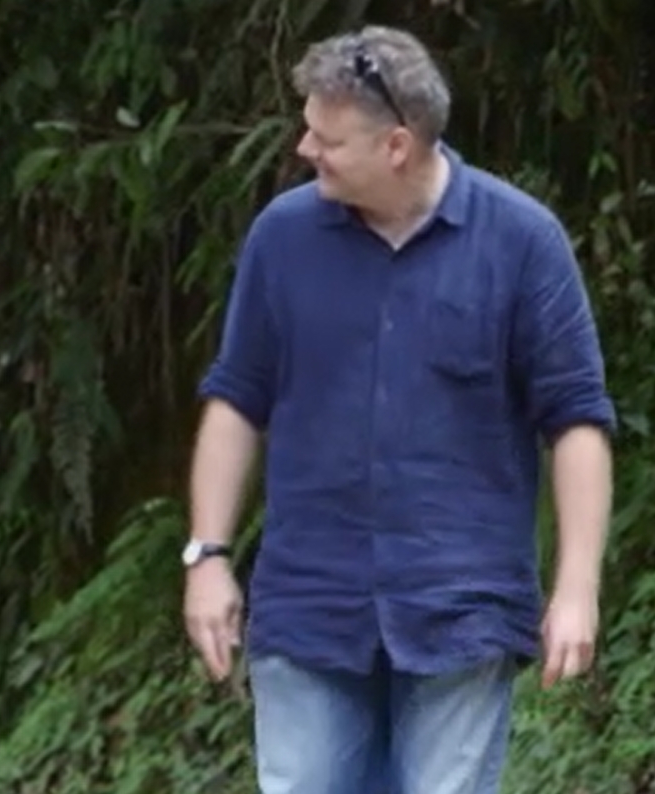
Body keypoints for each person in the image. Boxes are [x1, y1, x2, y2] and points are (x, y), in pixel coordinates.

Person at [182, 24, 614, 794]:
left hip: (462, 609)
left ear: (397, 146)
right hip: (309, 605)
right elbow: (235, 401)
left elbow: (576, 421)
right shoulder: (282, 238)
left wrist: (577, 588)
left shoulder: (522, 241)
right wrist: (207, 556)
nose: (305, 150)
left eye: (327, 139)